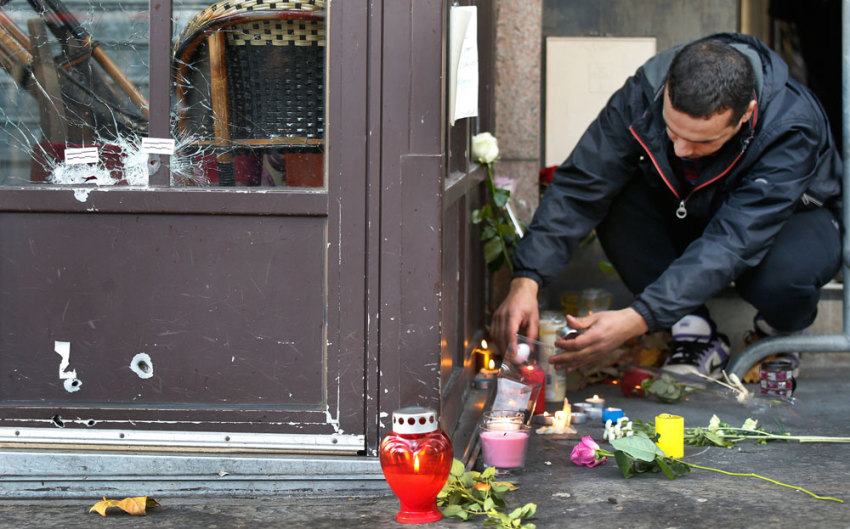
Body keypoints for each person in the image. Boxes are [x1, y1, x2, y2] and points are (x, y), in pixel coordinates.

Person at [492, 33, 842, 379]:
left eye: (701, 141)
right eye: (672, 132)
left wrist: (638, 317)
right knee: (614, 198)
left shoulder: (791, 126)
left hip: (787, 223)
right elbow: (583, 184)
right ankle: (693, 331)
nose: (680, 150)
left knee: (784, 277)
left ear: (745, 114)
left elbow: (734, 241)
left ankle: (778, 333)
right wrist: (527, 278)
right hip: (691, 210)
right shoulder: (646, 91)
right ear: (667, 91)